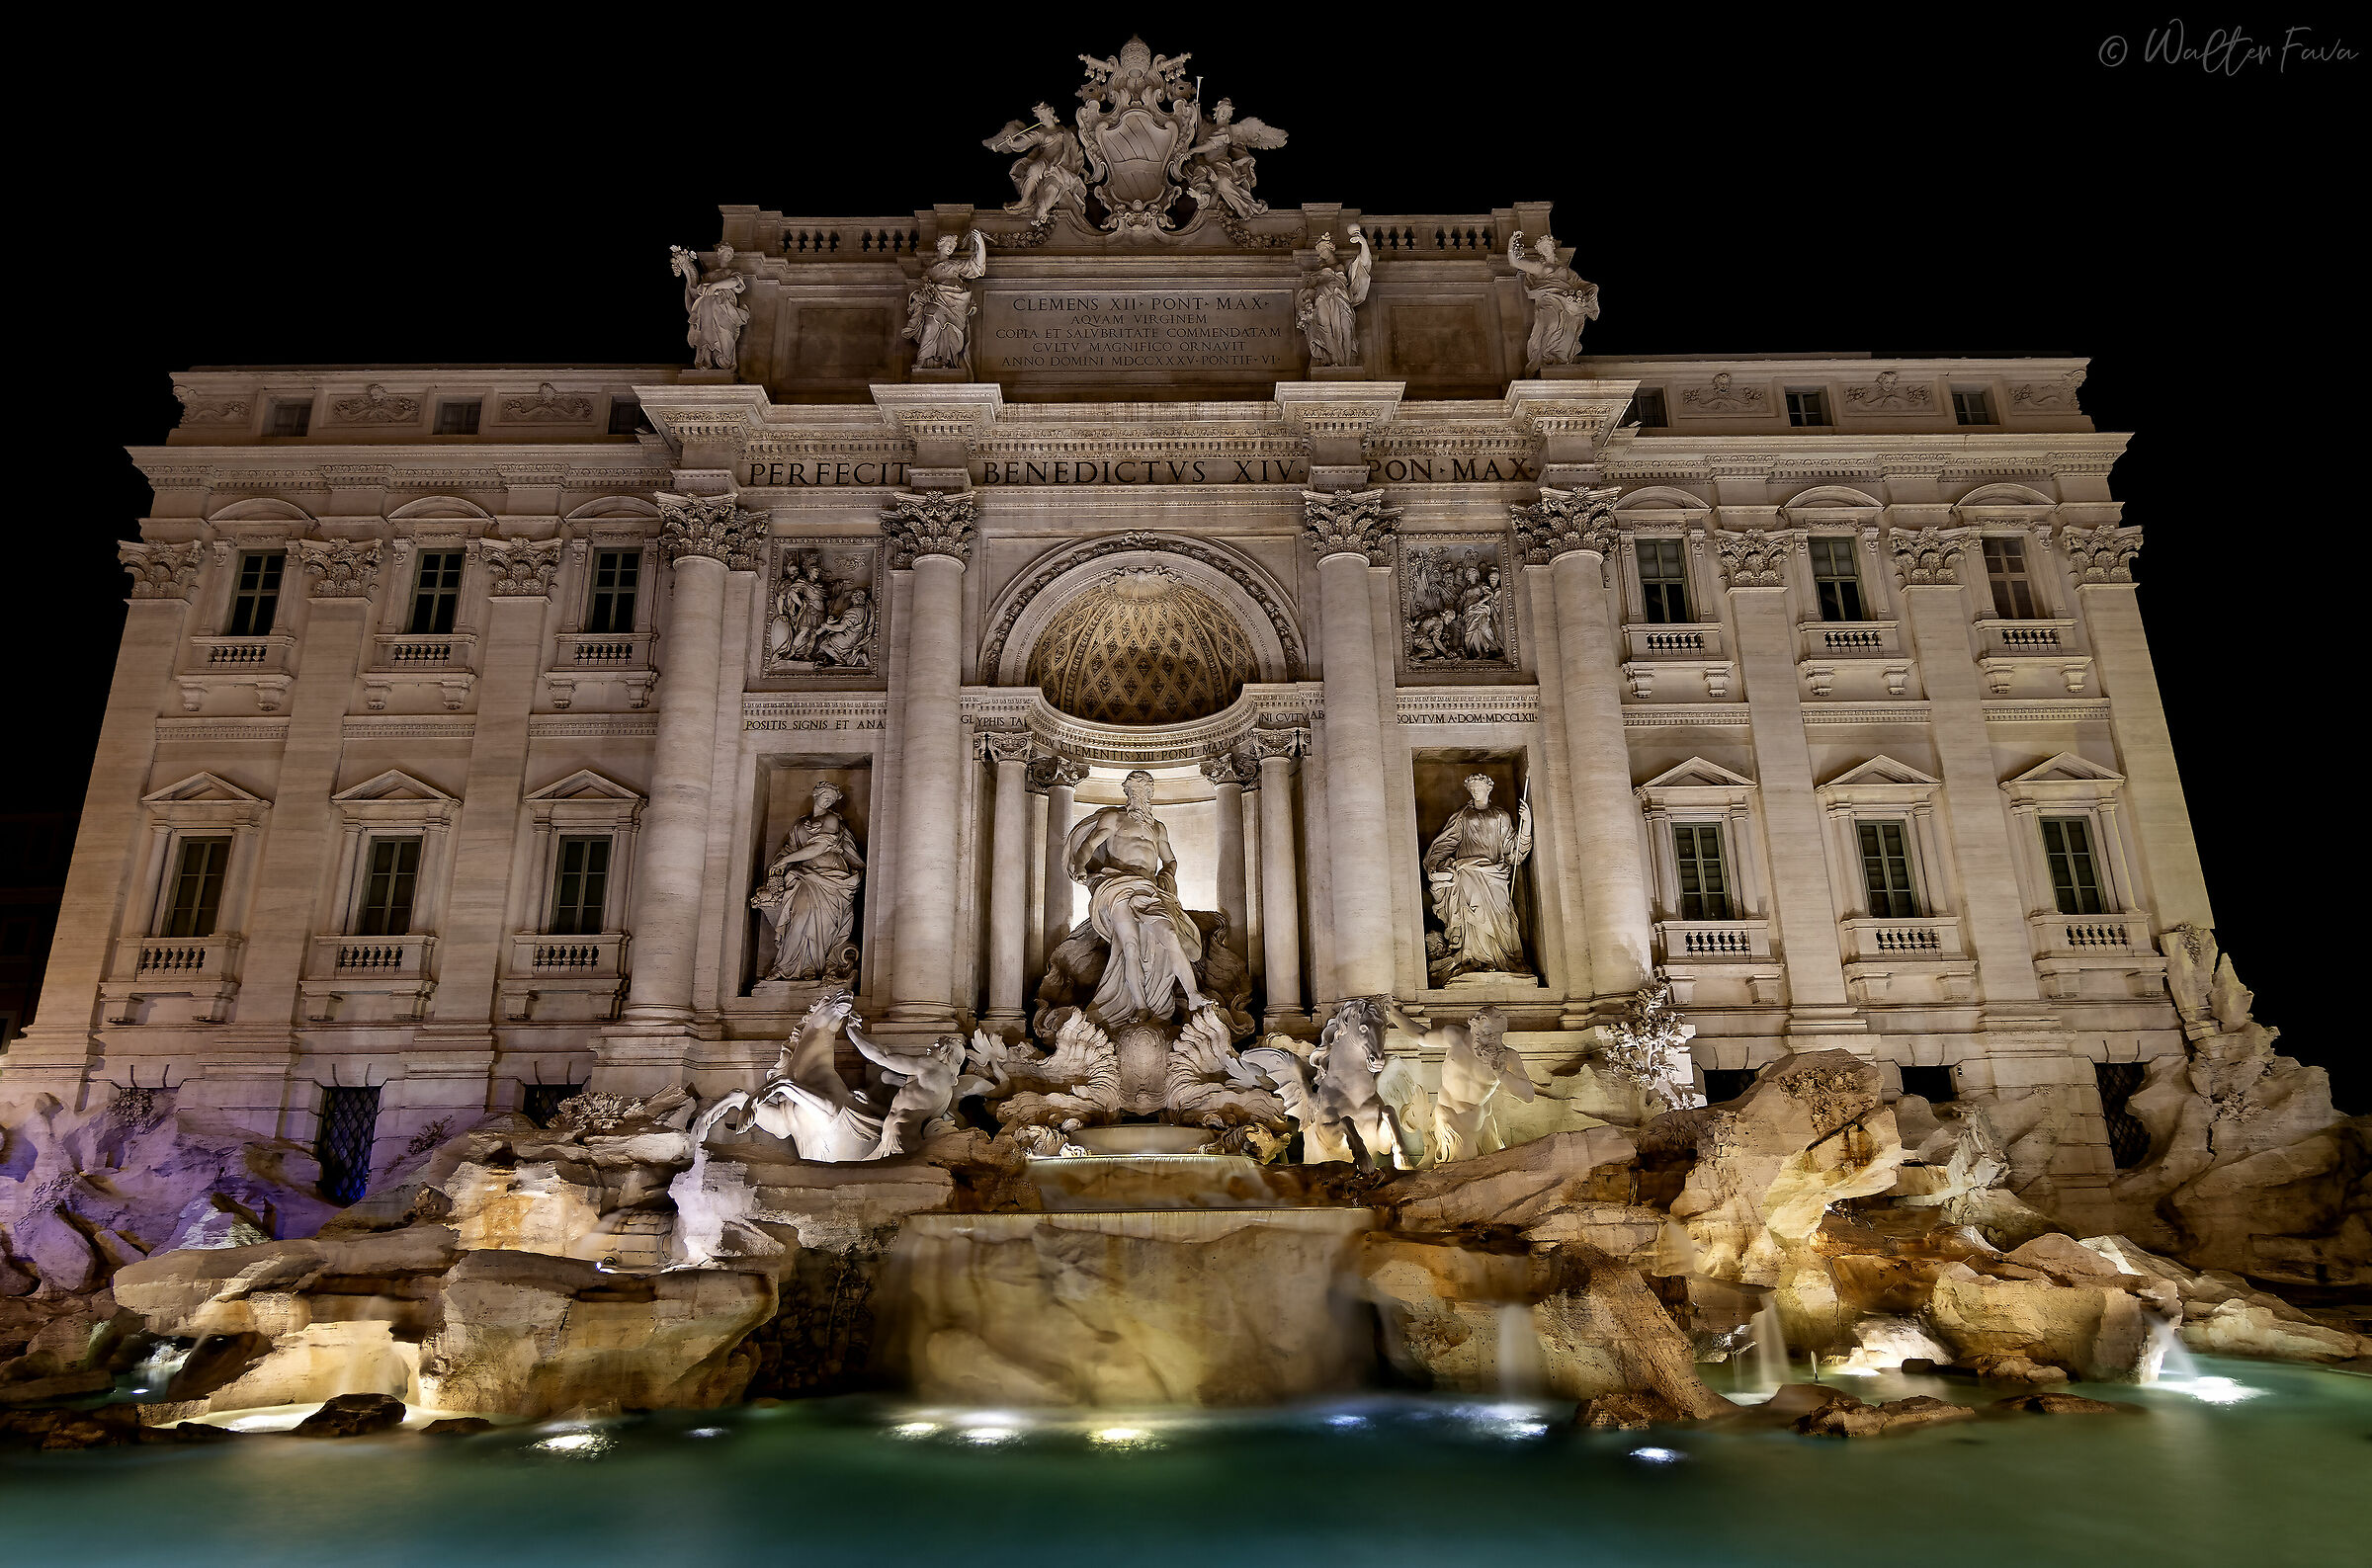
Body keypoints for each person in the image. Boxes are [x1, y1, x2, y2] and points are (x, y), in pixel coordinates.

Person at [1063, 770, 1214, 1025]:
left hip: (1149, 889)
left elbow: (1170, 860)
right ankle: (1141, 1007)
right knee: (1129, 947)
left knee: (1169, 934)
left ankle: (1193, 994)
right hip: (1118, 885)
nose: (1140, 796)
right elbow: (1088, 845)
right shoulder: (1114, 818)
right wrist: (1080, 865)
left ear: (1151, 795)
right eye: (1135, 791)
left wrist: (1167, 877)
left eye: (1146, 791)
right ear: (1127, 793)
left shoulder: (1158, 828)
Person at [1423, 774, 1533, 981]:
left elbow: (1513, 850)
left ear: (1489, 789)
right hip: (1467, 871)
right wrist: (1434, 864)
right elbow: (1446, 843)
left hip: (1494, 875)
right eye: (1472, 790)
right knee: (1471, 914)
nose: (1475, 792)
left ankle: (1502, 959)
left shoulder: (1501, 816)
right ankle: (1474, 959)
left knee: (1500, 915)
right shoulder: (1463, 816)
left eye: (1479, 789)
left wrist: (1526, 824)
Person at [751, 783, 864, 980]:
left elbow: (819, 847)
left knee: (822, 923)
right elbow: (789, 850)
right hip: (805, 876)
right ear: (816, 794)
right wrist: (778, 864)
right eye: (825, 796)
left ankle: (813, 967)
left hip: (832, 879)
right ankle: (787, 966)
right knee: (800, 916)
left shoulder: (831, 819)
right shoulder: (799, 825)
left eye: (831, 799)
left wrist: (786, 860)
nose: (827, 800)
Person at [902, 231, 988, 370]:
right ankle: (923, 360)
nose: (951, 247)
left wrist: (981, 244)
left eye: (953, 245)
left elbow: (978, 268)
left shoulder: (955, 264)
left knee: (951, 331)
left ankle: (945, 360)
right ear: (939, 245)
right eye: (948, 243)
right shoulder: (929, 269)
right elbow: (916, 285)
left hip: (955, 303)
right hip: (936, 300)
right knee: (930, 325)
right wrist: (919, 294)